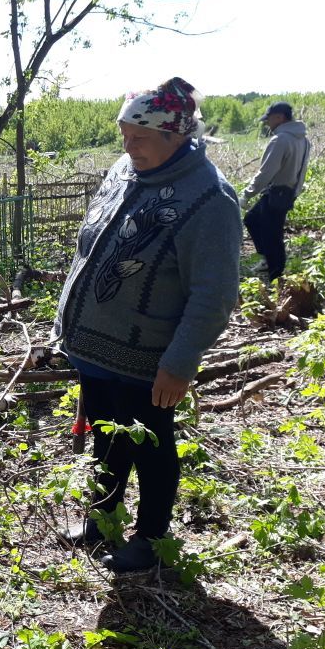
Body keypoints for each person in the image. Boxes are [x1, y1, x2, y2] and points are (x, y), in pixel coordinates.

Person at [52, 77, 242, 573]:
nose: (127, 146)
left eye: (139, 138)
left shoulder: (209, 200)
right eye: (123, 135)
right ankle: (103, 518)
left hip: (146, 356)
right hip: (92, 345)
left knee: (150, 444)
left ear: (176, 136)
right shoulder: (126, 168)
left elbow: (214, 294)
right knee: (103, 435)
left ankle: (151, 537)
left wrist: (179, 364)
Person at [240, 102, 311, 281]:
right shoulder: (303, 139)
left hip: (276, 192)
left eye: (269, 119)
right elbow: (302, 170)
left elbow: (266, 172)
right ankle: (269, 265)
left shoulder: (280, 139)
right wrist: (295, 192)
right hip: (287, 193)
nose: (267, 123)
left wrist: (247, 194)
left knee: (272, 235)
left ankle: (275, 274)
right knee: (254, 220)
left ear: (280, 117)